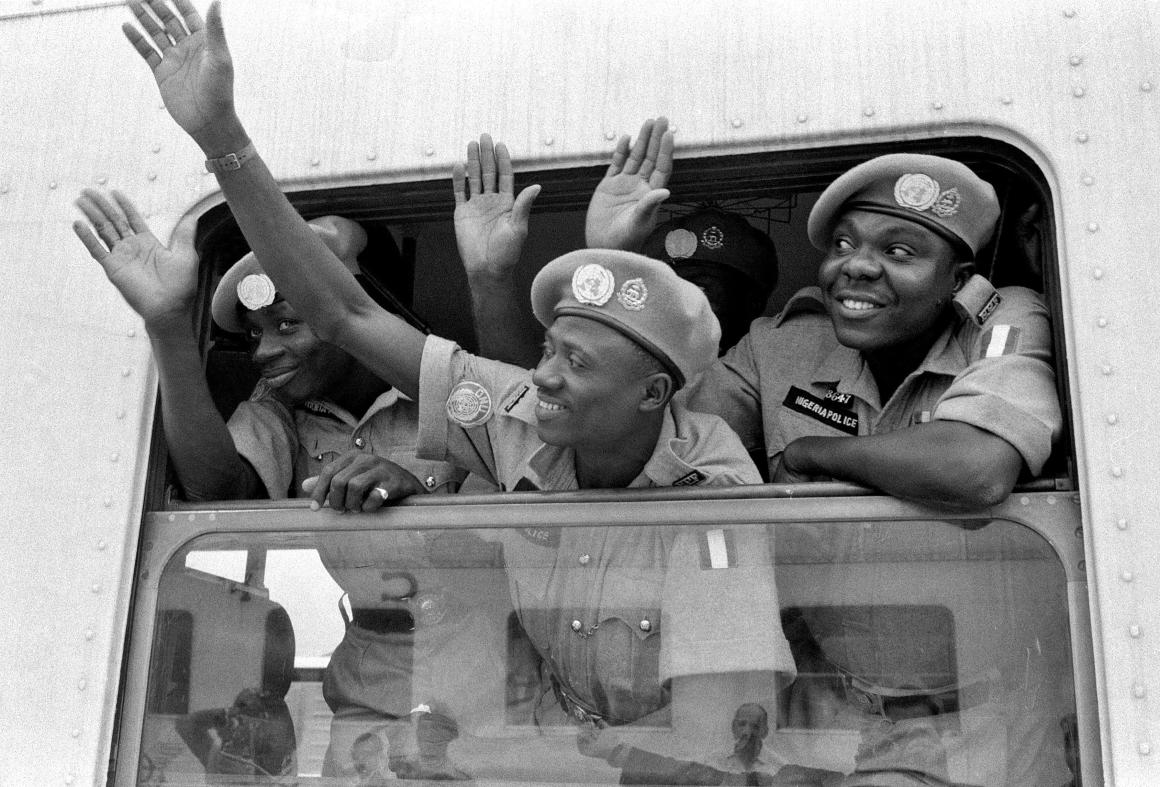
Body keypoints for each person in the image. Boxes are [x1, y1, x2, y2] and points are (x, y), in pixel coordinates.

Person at [118, 0, 794, 755]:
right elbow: (343, 312)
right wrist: (223, 139)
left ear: (653, 393)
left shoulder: (714, 491)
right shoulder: (519, 417)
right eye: (547, 351)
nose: (543, 378)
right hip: (543, 745)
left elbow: (711, 746)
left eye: (576, 362)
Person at [73, 195, 507, 781]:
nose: (263, 352)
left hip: (494, 674)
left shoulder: (450, 384)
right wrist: (168, 326)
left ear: (348, 313)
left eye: (286, 324)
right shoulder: (279, 410)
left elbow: (521, 483)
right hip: (369, 684)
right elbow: (215, 489)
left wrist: (419, 502)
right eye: (255, 333)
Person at [640, 207, 779, 354]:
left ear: (753, 303)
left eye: (703, 288)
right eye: (672, 289)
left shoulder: (773, 366)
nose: (684, 303)